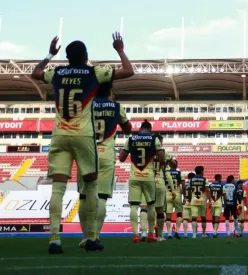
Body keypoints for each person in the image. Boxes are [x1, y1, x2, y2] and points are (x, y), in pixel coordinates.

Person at [31, 33, 134, 254]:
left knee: (57, 189)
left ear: (67, 57)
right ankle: (91, 237)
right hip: (84, 137)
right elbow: (128, 71)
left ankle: (54, 239)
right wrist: (120, 49)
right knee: (92, 187)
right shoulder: (93, 72)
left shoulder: (57, 73)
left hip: (59, 135)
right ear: (86, 56)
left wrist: (50, 53)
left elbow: (36, 73)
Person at [78, 82, 132, 249]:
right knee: (101, 197)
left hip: (86, 152)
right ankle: (95, 237)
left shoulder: (86, 105)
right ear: (109, 92)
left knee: (84, 196)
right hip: (105, 154)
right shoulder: (116, 106)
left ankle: (85, 236)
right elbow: (128, 129)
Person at [119, 120, 165, 243]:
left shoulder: (131, 139)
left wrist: (121, 151)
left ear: (140, 129)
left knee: (134, 206)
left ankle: (135, 235)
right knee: (150, 205)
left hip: (134, 175)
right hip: (148, 176)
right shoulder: (154, 139)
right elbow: (162, 158)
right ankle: (150, 234)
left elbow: (122, 159)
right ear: (150, 129)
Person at [187, 166, 209, 238]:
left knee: (194, 217)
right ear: (202, 171)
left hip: (194, 199)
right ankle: (203, 233)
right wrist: (210, 200)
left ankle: (194, 234)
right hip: (202, 200)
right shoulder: (204, 179)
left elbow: (189, 190)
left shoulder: (191, 180)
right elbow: (207, 190)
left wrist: (189, 199)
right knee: (203, 217)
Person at [165, 159, 183, 239]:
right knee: (179, 214)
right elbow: (183, 185)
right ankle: (177, 231)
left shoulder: (165, 173)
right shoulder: (180, 173)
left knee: (168, 216)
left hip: (167, 194)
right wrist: (185, 197)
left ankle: (169, 234)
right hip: (177, 194)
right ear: (177, 165)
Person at [182, 172, 195, 238]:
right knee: (193, 218)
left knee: (185, 219)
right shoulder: (194, 183)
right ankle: (194, 234)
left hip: (185, 201)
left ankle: (185, 233)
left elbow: (182, 191)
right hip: (193, 201)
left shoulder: (185, 183)